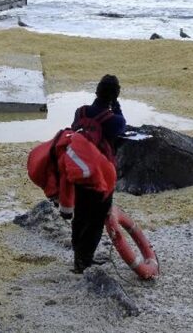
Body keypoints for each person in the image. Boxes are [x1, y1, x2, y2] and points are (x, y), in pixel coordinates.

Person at [69, 74, 126, 273]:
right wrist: (116, 105)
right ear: (115, 95)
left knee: (80, 216)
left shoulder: (80, 112)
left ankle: (78, 257)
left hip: (77, 171)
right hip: (101, 176)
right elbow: (122, 125)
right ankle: (85, 261)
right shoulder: (113, 120)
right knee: (95, 221)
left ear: (97, 91)